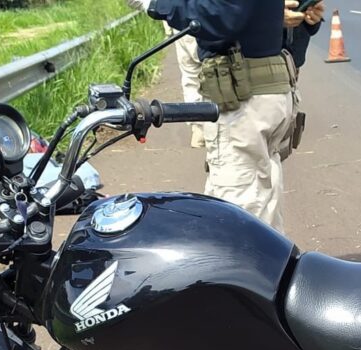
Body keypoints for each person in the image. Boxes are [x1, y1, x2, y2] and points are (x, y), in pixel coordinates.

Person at [137, 0, 296, 232]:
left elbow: (222, 14)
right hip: (265, 90)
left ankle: (247, 256)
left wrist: (156, 4)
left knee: (236, 217)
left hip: (243, 100)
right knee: (261, 208)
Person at [283, 0, 325, 74]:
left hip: (292, 65)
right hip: (264, 61)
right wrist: (273, 18)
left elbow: (310, 29)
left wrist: (313, 18)